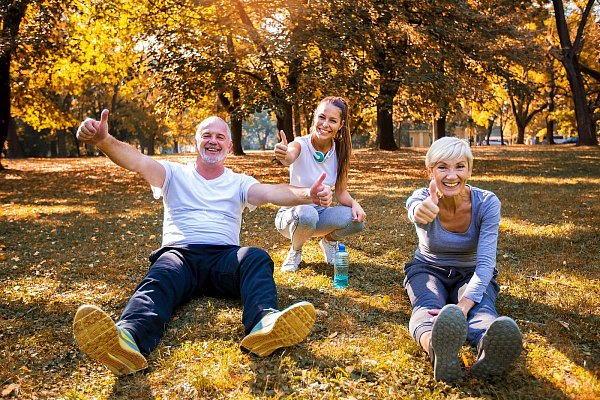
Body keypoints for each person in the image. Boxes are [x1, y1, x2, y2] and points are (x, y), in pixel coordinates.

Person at [72, 110, 333, 376]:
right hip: (179, 256)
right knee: (159, 280)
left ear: (229, 147)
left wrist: (307, 194)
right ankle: (127, 340)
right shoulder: (173, 173)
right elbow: (136, 161)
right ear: (196, 142)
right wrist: (104, 140)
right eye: (206, 135)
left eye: (220, 137)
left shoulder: (238, 182)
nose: (213, 141)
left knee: (256, 257)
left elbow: (271, 191)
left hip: (224, 259)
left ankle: (264, 325)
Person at [404, 136, 522, 382]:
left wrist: (464, 305)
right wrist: (421, 210)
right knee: (426, 305)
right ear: (430, 171)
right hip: (427, 269)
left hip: (471, 272)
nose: (451, 175)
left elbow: (486, 263)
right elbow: (415, 211)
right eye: (442, 167)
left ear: (469, 169)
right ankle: (435, 349)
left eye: (459, 166)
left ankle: (488, 350)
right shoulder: (421, 197)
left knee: (482, 309)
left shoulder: (487, 203)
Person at [273, 96, 366, 272]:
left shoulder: (340, 152)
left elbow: (341, 192)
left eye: (332, 120)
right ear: (315, 116)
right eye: (322, 117)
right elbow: (289, 156)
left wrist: (355, 204)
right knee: (307, 213)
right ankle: (295, 250)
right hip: (292, 217)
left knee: (357, 221)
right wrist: (283, 154)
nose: (325, 124)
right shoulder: (300, 144)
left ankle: (328, 242)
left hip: (320, 217)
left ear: (341, 125)